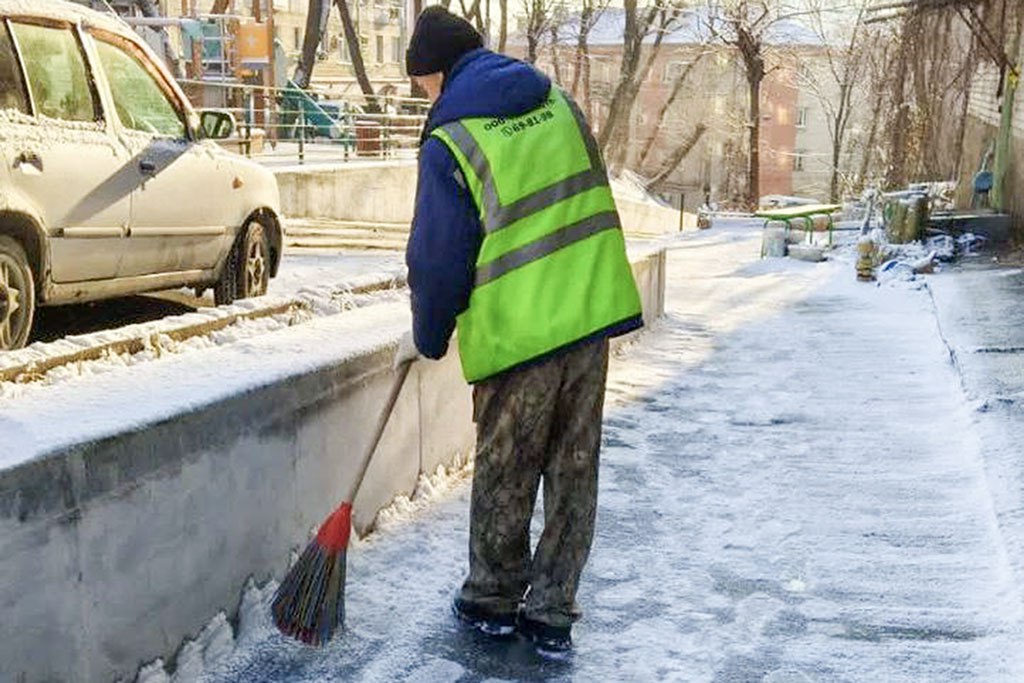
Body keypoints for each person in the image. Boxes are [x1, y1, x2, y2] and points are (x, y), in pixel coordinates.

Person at [395, 6, 644, 656]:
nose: (425, 95)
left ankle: (493, 598)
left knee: (508, 467)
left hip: (521, 332)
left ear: (436, 74)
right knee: (574, 465)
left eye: (422, 83)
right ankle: (553, 609)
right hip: (589, 316)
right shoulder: (556, 102)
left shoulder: (451, 137)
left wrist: (427, 331)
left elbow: (438, 255)